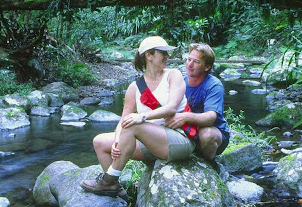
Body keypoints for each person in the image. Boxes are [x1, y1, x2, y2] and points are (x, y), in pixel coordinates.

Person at [81, 36, 195, 197]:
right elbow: (124, 119)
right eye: (163, 53)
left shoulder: (173, 75)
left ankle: (108, 180)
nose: (167, 57)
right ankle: (115, 188)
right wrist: (116, 141)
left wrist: (141, 117)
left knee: (133, 123)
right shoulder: (134, 87)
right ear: (149, 55)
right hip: (150, 144)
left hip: (179, 139)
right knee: (99, 142)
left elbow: (170, 109)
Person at [164, 42, 229, 162]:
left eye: (196, 62)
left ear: (207, 67)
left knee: (207, 134)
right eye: (189, 59)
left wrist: (184, 117)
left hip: (213, 133)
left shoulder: (214, 85)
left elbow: (210, 118)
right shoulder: (180, 82)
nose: (189, 64)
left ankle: (209, 164)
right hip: (187, 131)